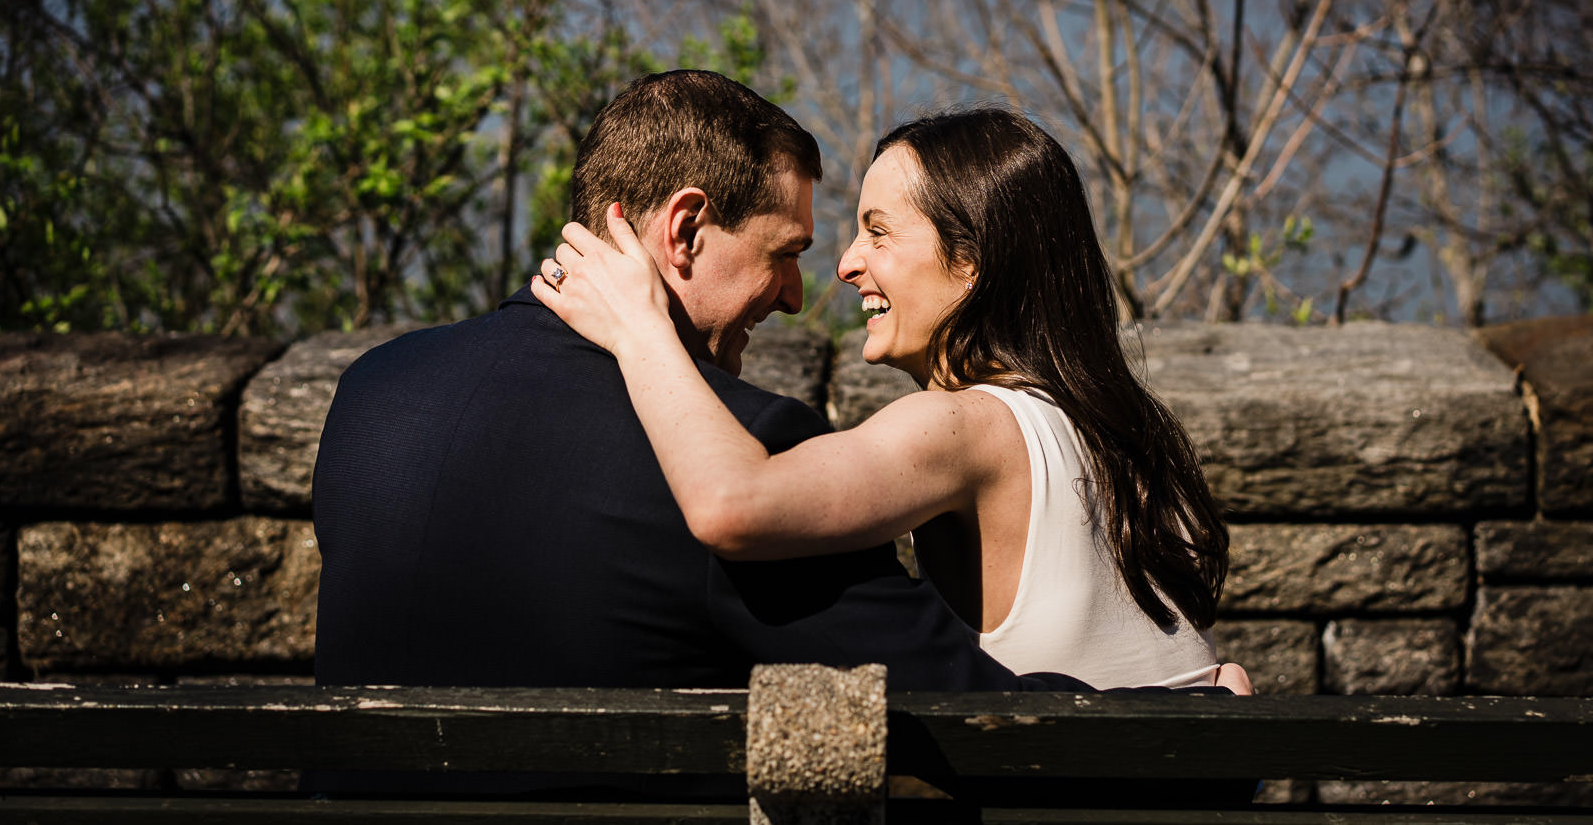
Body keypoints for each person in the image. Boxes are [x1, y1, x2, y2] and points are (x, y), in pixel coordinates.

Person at [311, 71, 1251, 794]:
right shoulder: (745, 441)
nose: (808, 290)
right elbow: (961, 708)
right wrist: (1195, 731)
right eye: (785, 253)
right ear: (682, 231)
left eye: (870, 236)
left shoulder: (373, 393)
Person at [535, 106, 1230, 690]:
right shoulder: (1102, 424)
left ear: (970, 262)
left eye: (878, 230)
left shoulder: (967, 425)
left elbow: (732, 504)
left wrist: (640, 326)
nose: (844, 264)